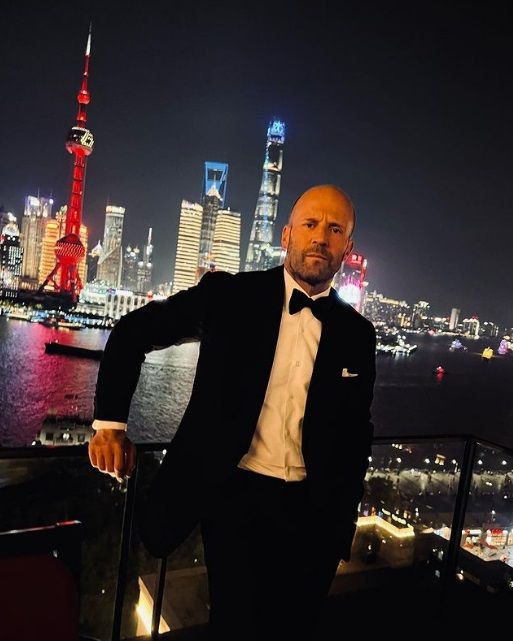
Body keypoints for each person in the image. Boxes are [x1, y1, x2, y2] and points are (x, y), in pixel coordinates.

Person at [88, 184, 376, 640]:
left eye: (335, 229)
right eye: (310, 224)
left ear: (347, 247)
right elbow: (132, 331)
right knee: (235, 626)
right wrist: (110, 426)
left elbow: (357, 435)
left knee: (297, 627)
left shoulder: (358, 334)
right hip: (236, 499)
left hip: (313, 513)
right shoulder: (230, 296)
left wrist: (340, 525)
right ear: (287, 236)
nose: (321, 236)